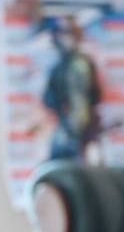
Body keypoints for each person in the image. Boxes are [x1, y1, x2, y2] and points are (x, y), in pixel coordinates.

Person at [42, 14, 103, 162]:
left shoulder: (79, 64)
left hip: (78, 131)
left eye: (70, 33)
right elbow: (49, 98)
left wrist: (76, 129)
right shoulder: (60, 64)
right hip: (66, 127)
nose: (66, 38)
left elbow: (83, 101)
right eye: (63, 33)